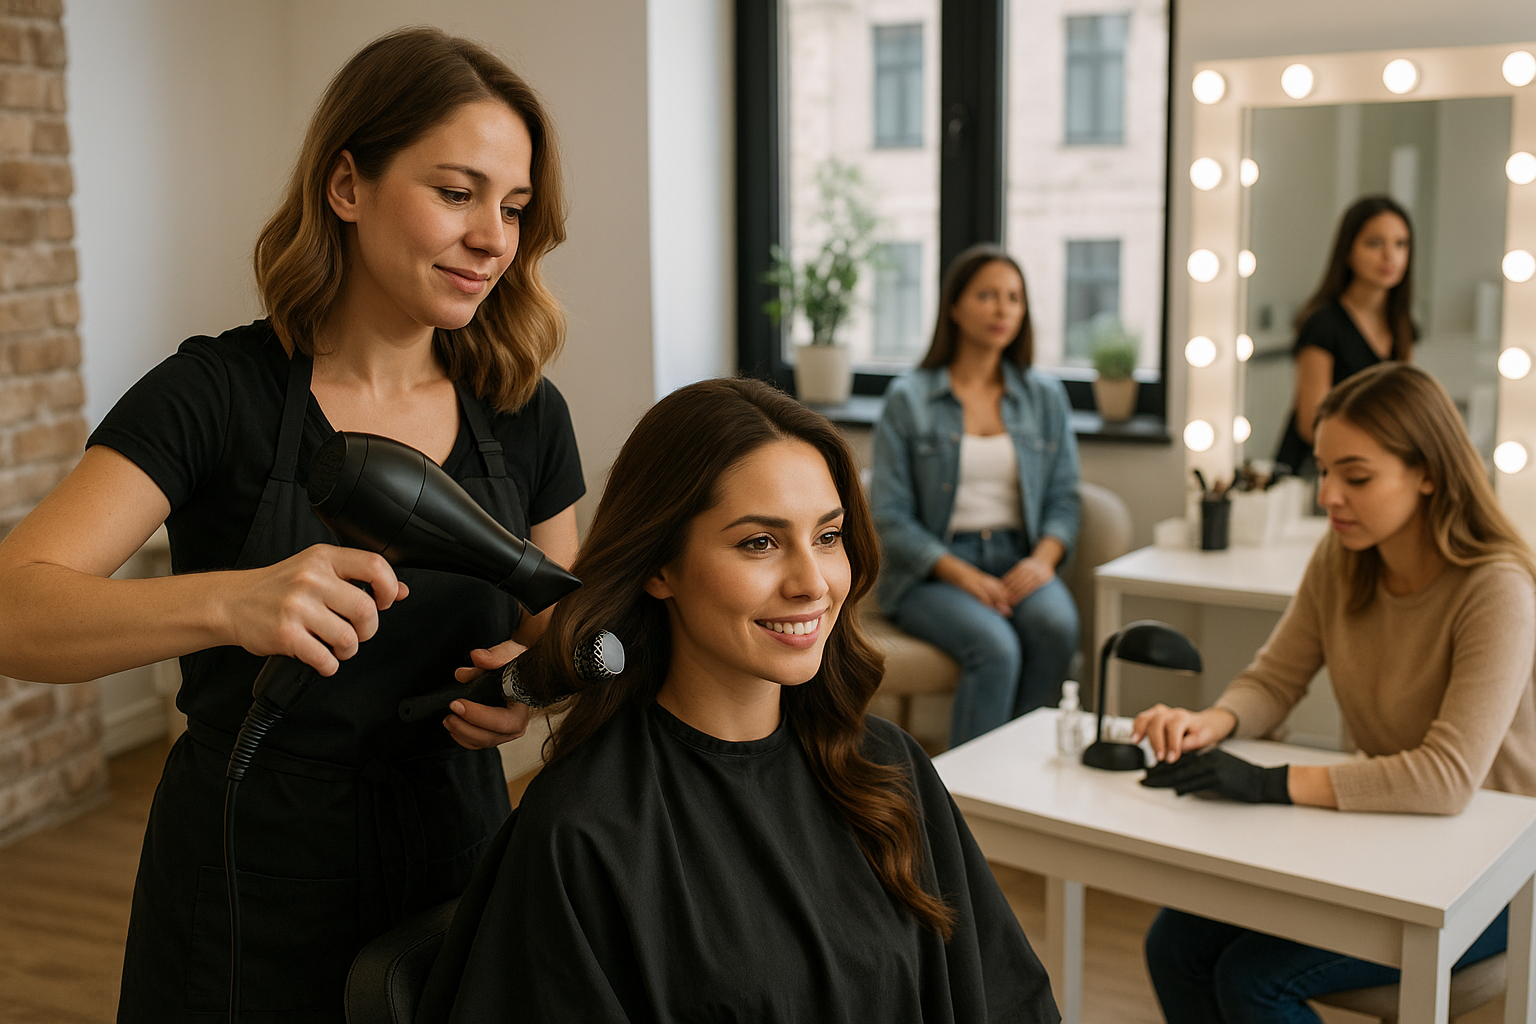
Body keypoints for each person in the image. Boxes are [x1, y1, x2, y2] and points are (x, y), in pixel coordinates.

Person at [0, 28, 584, 1021]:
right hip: (247, 878)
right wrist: (232, 601)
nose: (494, 236)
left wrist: (523, 691)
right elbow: (14, 609)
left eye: (515, 207)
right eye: (457, 192)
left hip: (459, 860)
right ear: (346, 185)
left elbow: (555, 625)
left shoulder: (523, 409)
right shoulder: (213, 394)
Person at [415, 377, 1060, 1023]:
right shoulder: (586, 829)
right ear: (658, 567)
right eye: (760, 542)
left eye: (828, 536)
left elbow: (1007, 998)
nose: (813, 583)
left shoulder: (886, 767)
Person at [1131, 363, 1536, 1022]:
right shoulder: (1343, 558)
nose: (1328, 496)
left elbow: (1446, 780)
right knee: (1173, 943)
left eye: (1357, 476)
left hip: (1495, 872)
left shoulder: (1495, 590)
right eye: (1323, 471)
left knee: (1254, 979)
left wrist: (1268, 783)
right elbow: (1275, 679)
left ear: (1428, 473)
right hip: (1383, 841)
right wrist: (1213, 721)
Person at [871, 243, 1082, 747]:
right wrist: (962, 574)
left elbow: (1064, 498)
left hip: (1018, 556)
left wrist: (1043, 562)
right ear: (955, 307)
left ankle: (1025, 771)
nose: (1002, 308)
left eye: (1013, 297)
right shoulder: (909, 399)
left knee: (1056, 625)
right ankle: (964, 804)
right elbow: (890, 515)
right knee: (996, 647)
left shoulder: (1044, 397)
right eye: (987, 295)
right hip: (934, 571)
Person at [1274, 195, 1415, 475]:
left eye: (1400, 244)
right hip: (1317, 470)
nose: (1390, 256)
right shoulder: (1323, 324)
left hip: (1368, 467)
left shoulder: (1401, 325)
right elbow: (1310, 423)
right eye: (1375, 243)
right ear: (1348, 252)